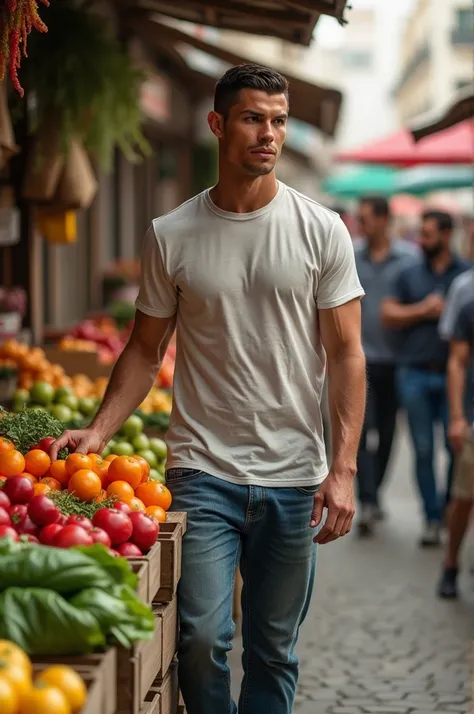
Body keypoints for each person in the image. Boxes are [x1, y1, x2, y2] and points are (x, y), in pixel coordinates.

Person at [50, 64, 367, 714]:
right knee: (198, 637)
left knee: (274, 649)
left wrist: (343, 469)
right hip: (202, 471)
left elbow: (346, 354)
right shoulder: (172, 235)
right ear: (218, 124)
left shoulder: (321, 231)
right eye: (253, 118)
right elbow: (144, 349)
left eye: (278, 121)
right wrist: (100, 430)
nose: (269, 134)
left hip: (292, 476)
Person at [381, 210, 470, 547]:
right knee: (421, 448)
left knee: (454, 447)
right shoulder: (408, 273)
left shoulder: (465, 275)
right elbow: (387, 312)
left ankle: (450, 511)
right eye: (421, 234)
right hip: (414, 372)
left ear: (447, 236)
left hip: (454, 376)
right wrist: (423, 309)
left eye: (429, 234)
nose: (422, 240)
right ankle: (432, 519)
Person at [354, 196, 418, 535]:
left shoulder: (409, 259)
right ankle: (366, 499)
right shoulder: (350, 253)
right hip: (360, 360)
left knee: (389, 432)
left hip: (397, 361)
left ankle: (374, 492)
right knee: (361, 432)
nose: (359, 225)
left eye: (364, 219)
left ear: (382, 220)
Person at [438, 278, 474, 598]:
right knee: (464, 498)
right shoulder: (469, 303)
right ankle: (451, 563)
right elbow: (457, 363)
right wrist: (458, 417)